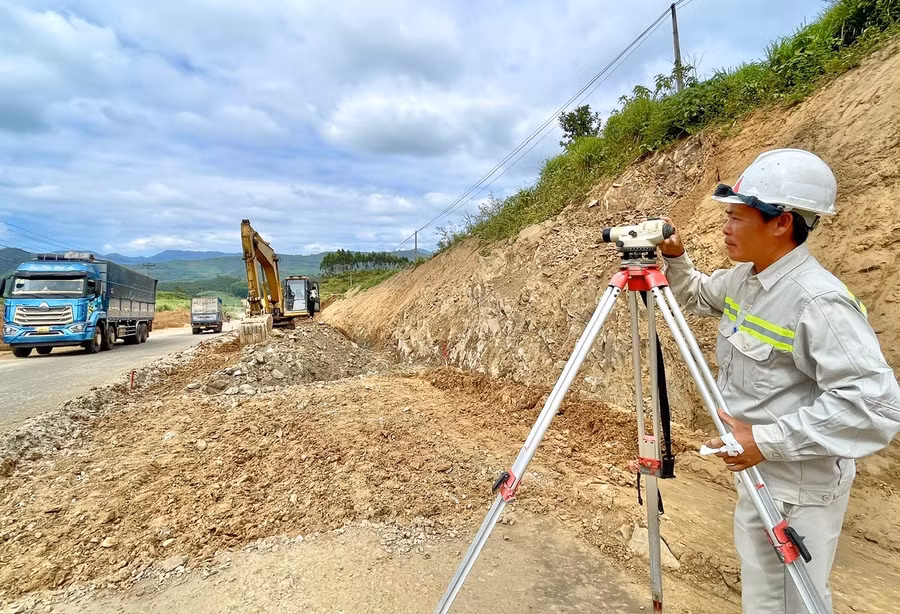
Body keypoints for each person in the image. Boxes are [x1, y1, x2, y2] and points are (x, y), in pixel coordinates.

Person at [658, 148, 900, 613]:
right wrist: (677, 256)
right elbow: (694, 294)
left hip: (800, 492)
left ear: (782, 222)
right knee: (765, 601)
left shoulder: (819, 302)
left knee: (793, 604)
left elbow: (876, 407)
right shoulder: (745, 280)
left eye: (736, 217)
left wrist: (766, 439)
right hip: (760, 475)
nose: (725, 228)